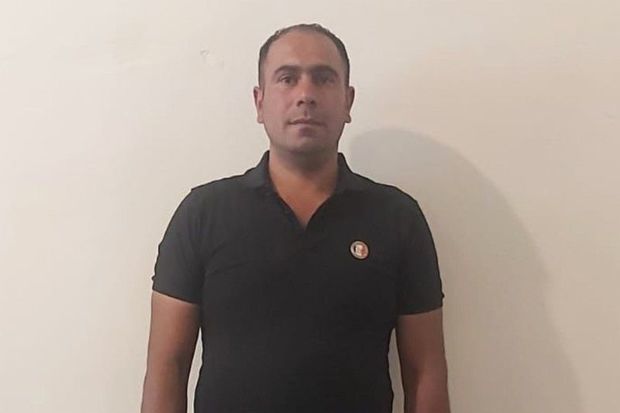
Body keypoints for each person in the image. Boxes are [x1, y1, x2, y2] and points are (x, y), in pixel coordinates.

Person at [141, 23, 450, 413]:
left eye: (323, 78)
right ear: (259, 102)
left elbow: (425, 370)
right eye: (287, 78)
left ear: (348, 101)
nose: (306, 94)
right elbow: (167, 366)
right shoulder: (202, 214)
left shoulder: (397, 218)